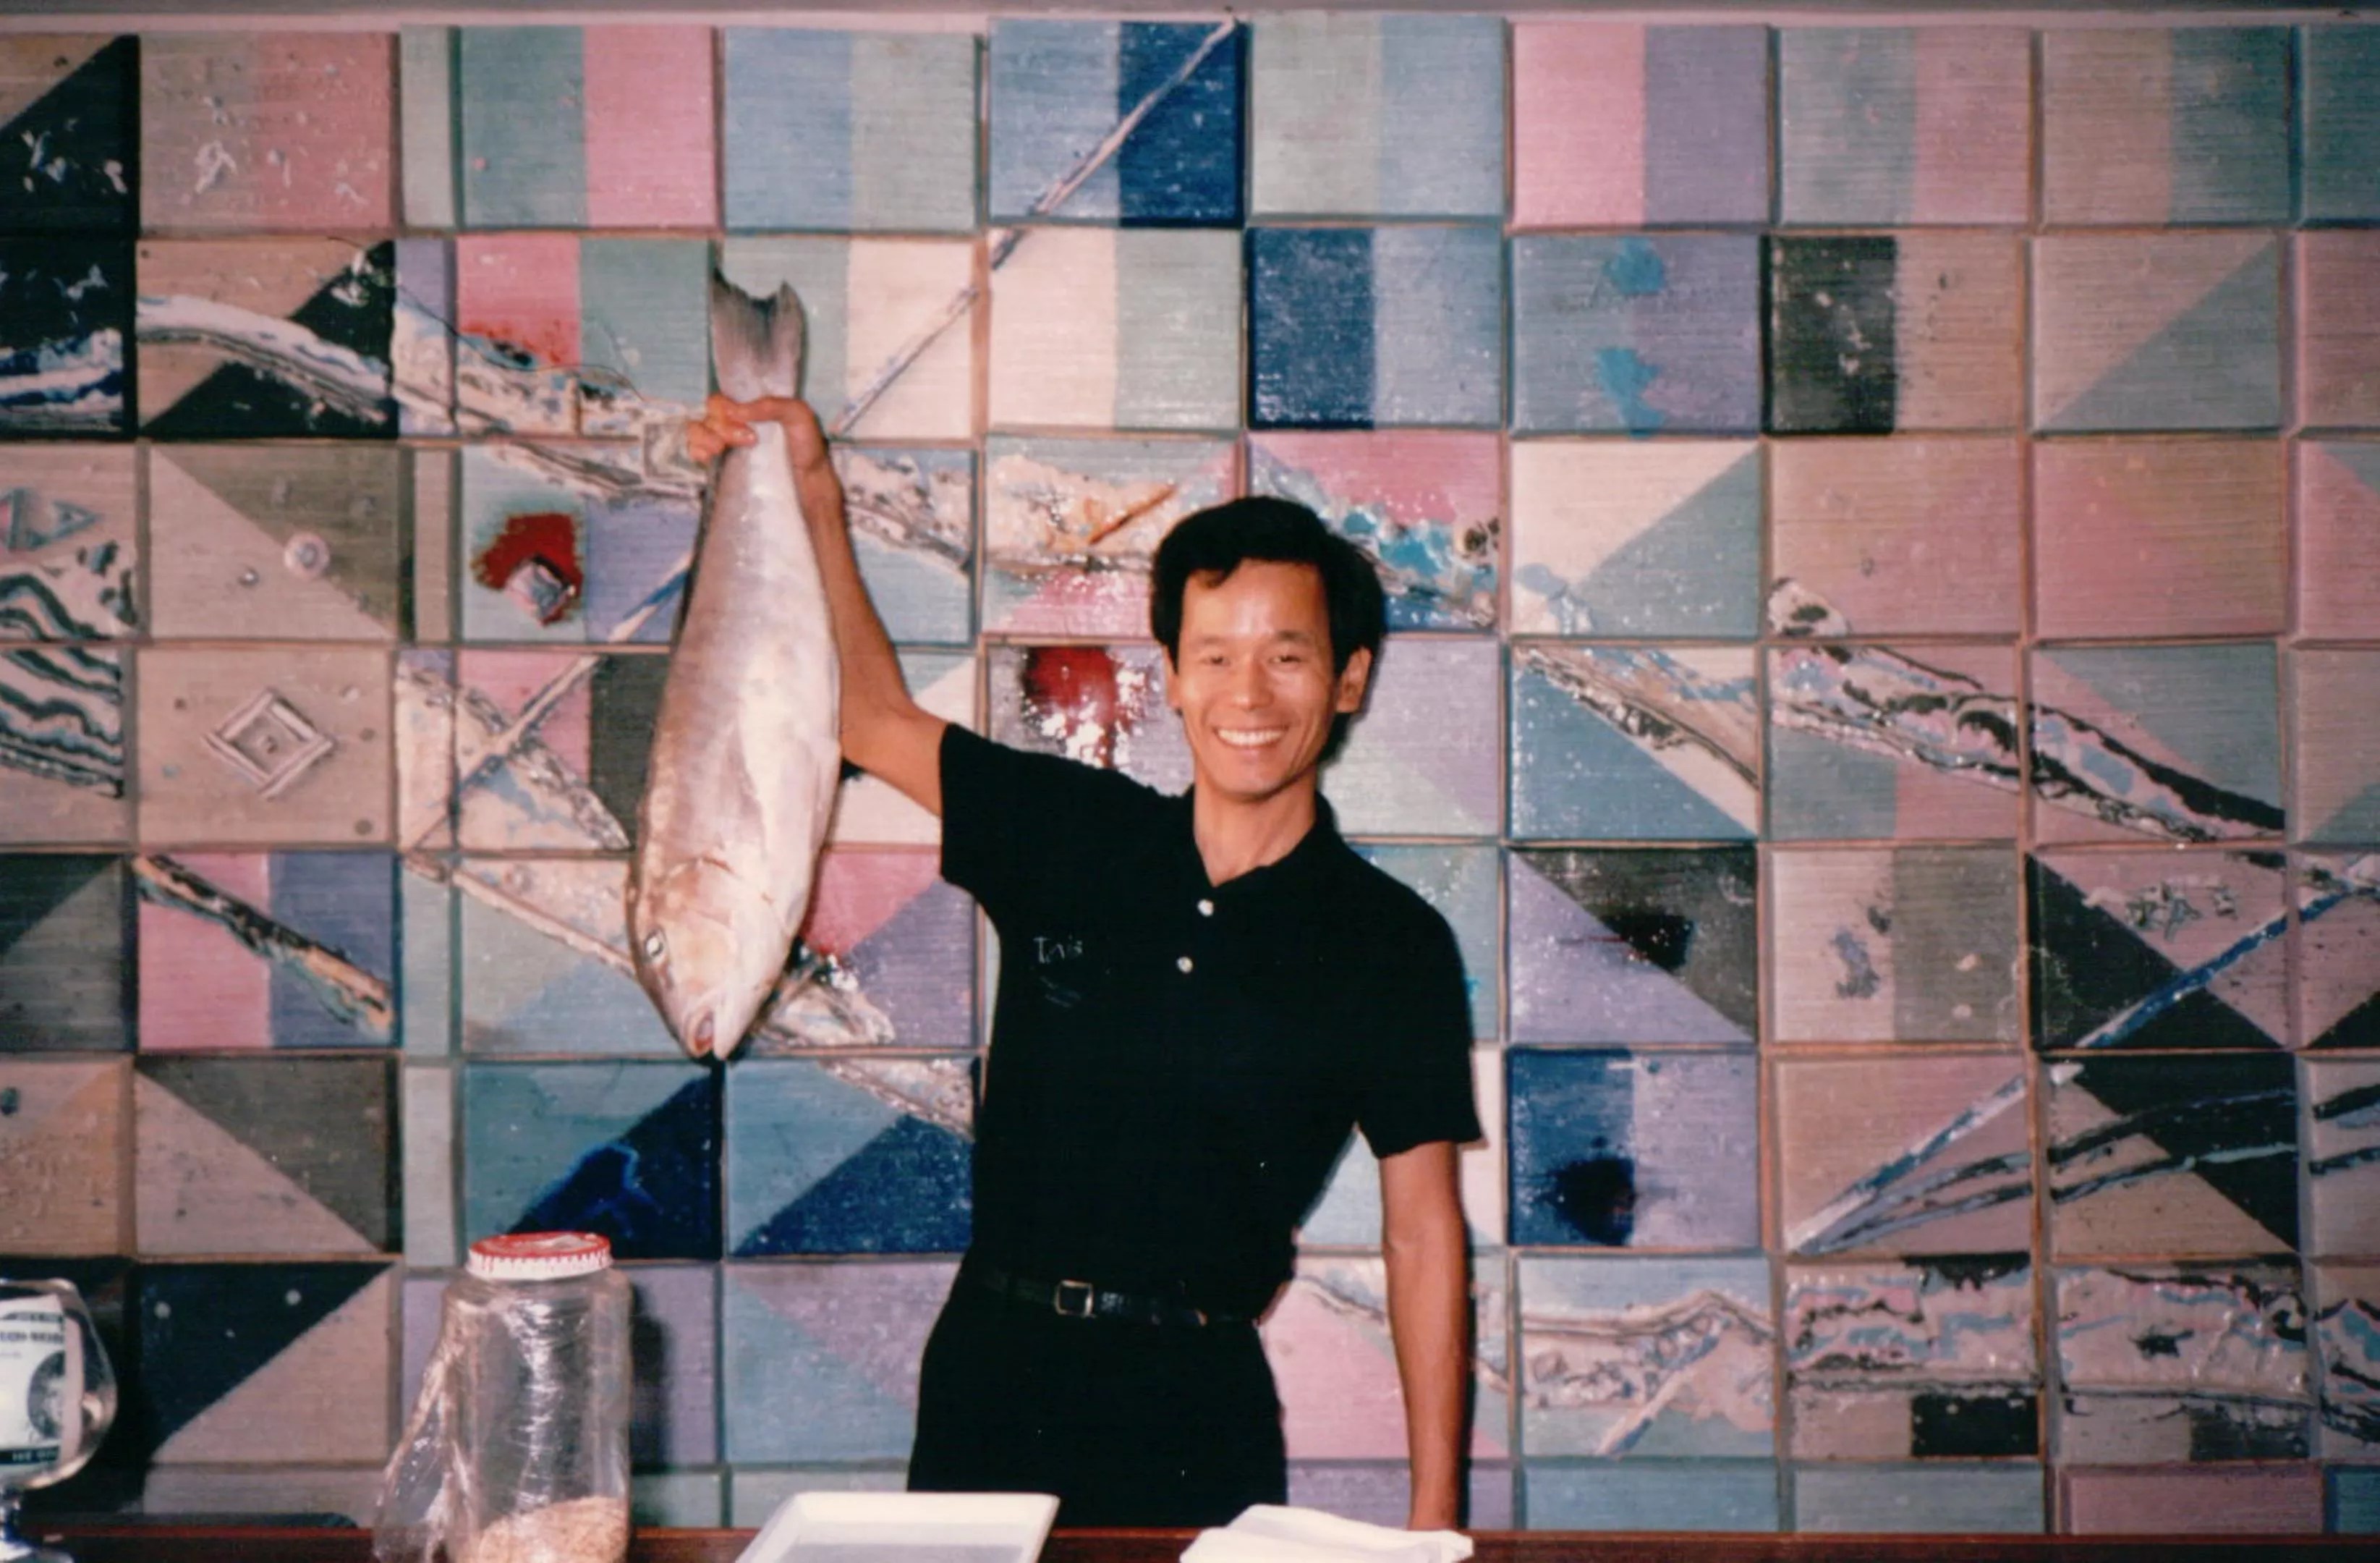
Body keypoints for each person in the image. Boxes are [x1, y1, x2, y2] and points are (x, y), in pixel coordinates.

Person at [688, 396, 1481, 1530]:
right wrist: (812, 481)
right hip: (991, 1375)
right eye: (1214, 655)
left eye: (1286, 657)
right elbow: (865, 718)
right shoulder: (1071, 833)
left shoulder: (1390, 942)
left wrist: (1433, 1517)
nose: (1246, 695)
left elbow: (1421, 1232)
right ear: (1168, 674)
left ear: (1347, 680)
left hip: (1194, 1400)